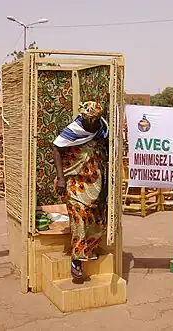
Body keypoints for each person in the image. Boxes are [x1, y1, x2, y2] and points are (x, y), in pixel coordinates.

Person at [53, 101, 109, 283]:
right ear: (83, 117)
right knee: (79, 217)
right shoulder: (73, 129)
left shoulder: (102, 128)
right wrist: (61, 178)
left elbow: (106, 151)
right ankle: (76, 260)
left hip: (94, 181)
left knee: (96, 219)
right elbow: (56, 147)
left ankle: (88, 249)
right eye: (89, 120)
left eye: (95, 120)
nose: (92, 123)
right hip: (74, 181)